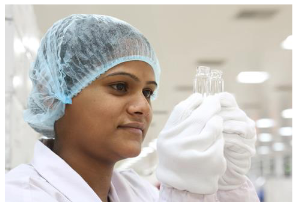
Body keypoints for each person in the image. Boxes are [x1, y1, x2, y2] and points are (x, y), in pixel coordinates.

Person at [5, 14, 259, 202]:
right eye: (119, 86)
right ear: (53, 96)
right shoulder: (20, 195)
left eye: (148, 92)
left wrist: (228, 189)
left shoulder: (140, 193)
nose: (143, 107)